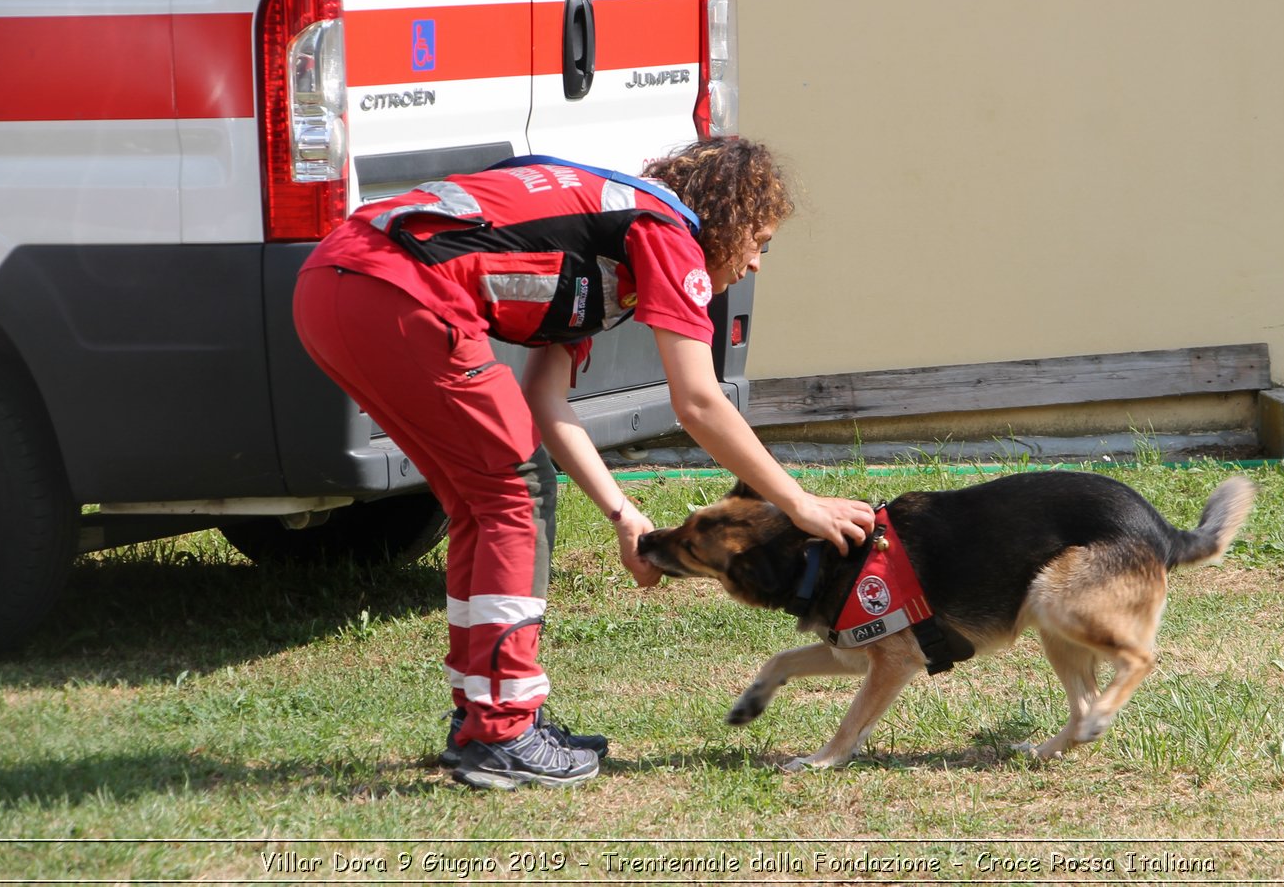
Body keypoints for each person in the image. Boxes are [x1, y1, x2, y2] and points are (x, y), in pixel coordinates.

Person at [291, 138, 874, 790]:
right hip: (390, 287)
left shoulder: (608, 237)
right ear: (728, 216)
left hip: (332, 284)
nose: (757, 261)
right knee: (515, 493)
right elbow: (700, 401)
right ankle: (503, 732)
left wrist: (624, 514)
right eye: (759, 239)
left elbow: (545, 397)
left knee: (482, 501)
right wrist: (801, 504)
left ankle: (484, 717)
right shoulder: (666, 230)